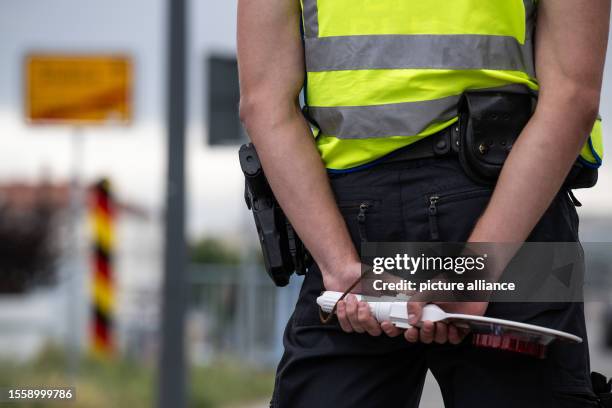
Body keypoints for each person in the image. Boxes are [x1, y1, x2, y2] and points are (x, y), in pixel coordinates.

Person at [237, 0, 610, 407]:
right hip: (516, 219)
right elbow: (572, 93)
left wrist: (340, 268)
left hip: (352, 231)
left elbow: (264, 102)